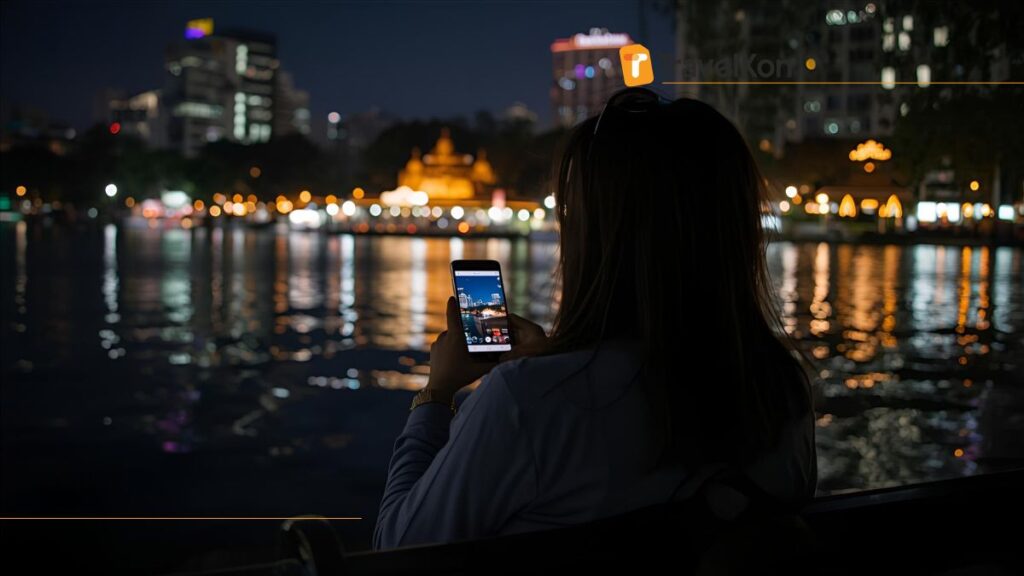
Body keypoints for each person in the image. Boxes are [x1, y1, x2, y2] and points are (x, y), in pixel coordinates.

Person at [372, 87, 818, 551]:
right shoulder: (781, 389)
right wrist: (558, 360)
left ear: (594, 237)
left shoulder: (527, 403)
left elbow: (399, 549)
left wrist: (436, 394)